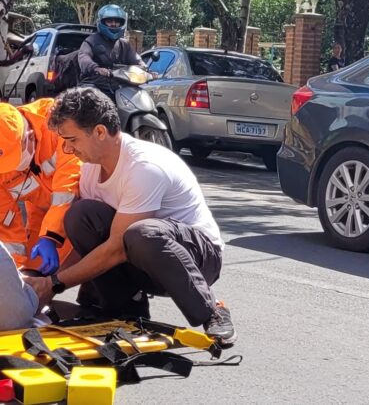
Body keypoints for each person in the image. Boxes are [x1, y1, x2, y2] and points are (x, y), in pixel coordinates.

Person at [25, 87, 236, 346]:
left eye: (72, 140)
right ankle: (124, 308)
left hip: (199, 260)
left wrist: (55, 284)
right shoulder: (92, 169)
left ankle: (211, 310)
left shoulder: (144, 167)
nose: (67, 149)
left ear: (100, 132)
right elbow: (91, 243)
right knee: (80, 215)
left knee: (141, 233)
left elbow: (117, 248)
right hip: (144, 257)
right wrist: (47, 280)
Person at [0, 99, 80, 273]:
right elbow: (5, 228)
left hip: (82, 204)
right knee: (34, 273)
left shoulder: (58, 122)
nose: (12, 169)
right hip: (41, 213)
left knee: (68, 269)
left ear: (29, 136)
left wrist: (50, 236)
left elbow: (68, 187)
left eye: (13, 161)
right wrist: (11, 274)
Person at [77, 4, 142, 89]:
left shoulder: (124, 44)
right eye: (109, 21)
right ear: (101, 22)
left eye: (117, 21)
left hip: (119, 85)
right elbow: (84, 57)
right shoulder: (91, 41)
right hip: (94, 84)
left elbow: (136, 59)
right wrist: (96, 68)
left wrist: (145, 68)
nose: (113, 24)